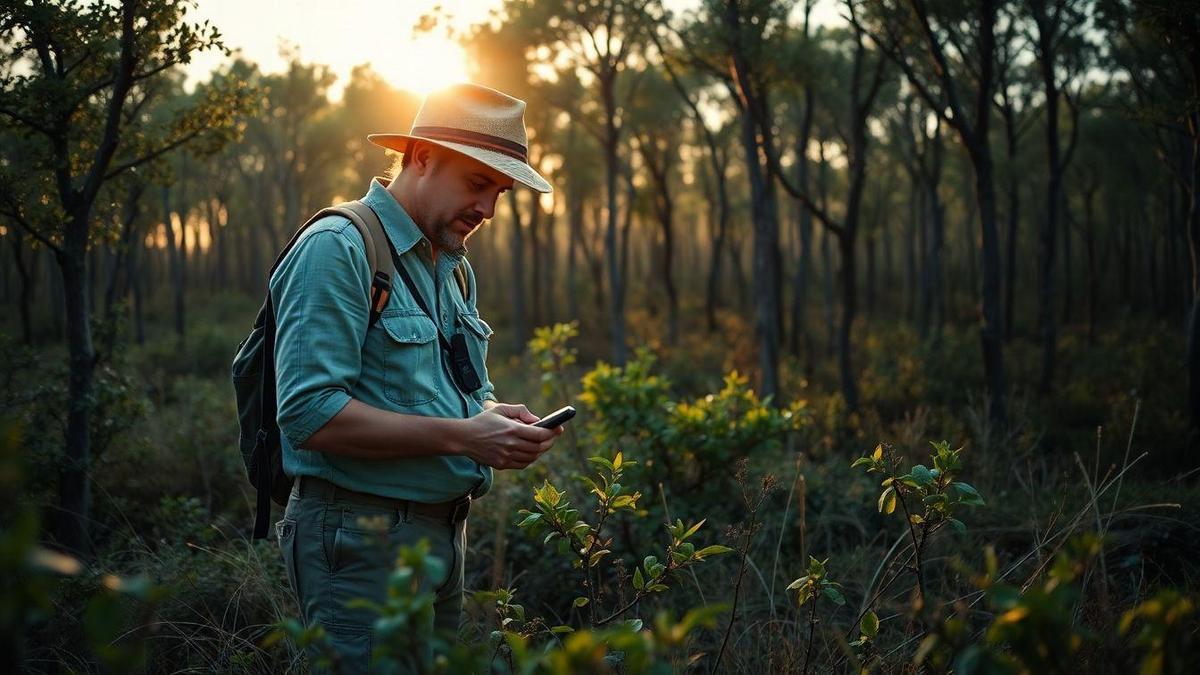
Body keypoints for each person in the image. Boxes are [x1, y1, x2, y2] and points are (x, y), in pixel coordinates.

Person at [270, 82, 562, 671]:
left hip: (439, 539)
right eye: (478, 184)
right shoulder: (338, 248)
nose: (488, 209)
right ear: (422, 157)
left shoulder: (451, 268)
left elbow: (461, 389)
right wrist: (463, 437)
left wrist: (490, 417)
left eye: (500, 192)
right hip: (359, 540)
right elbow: (308, 414)